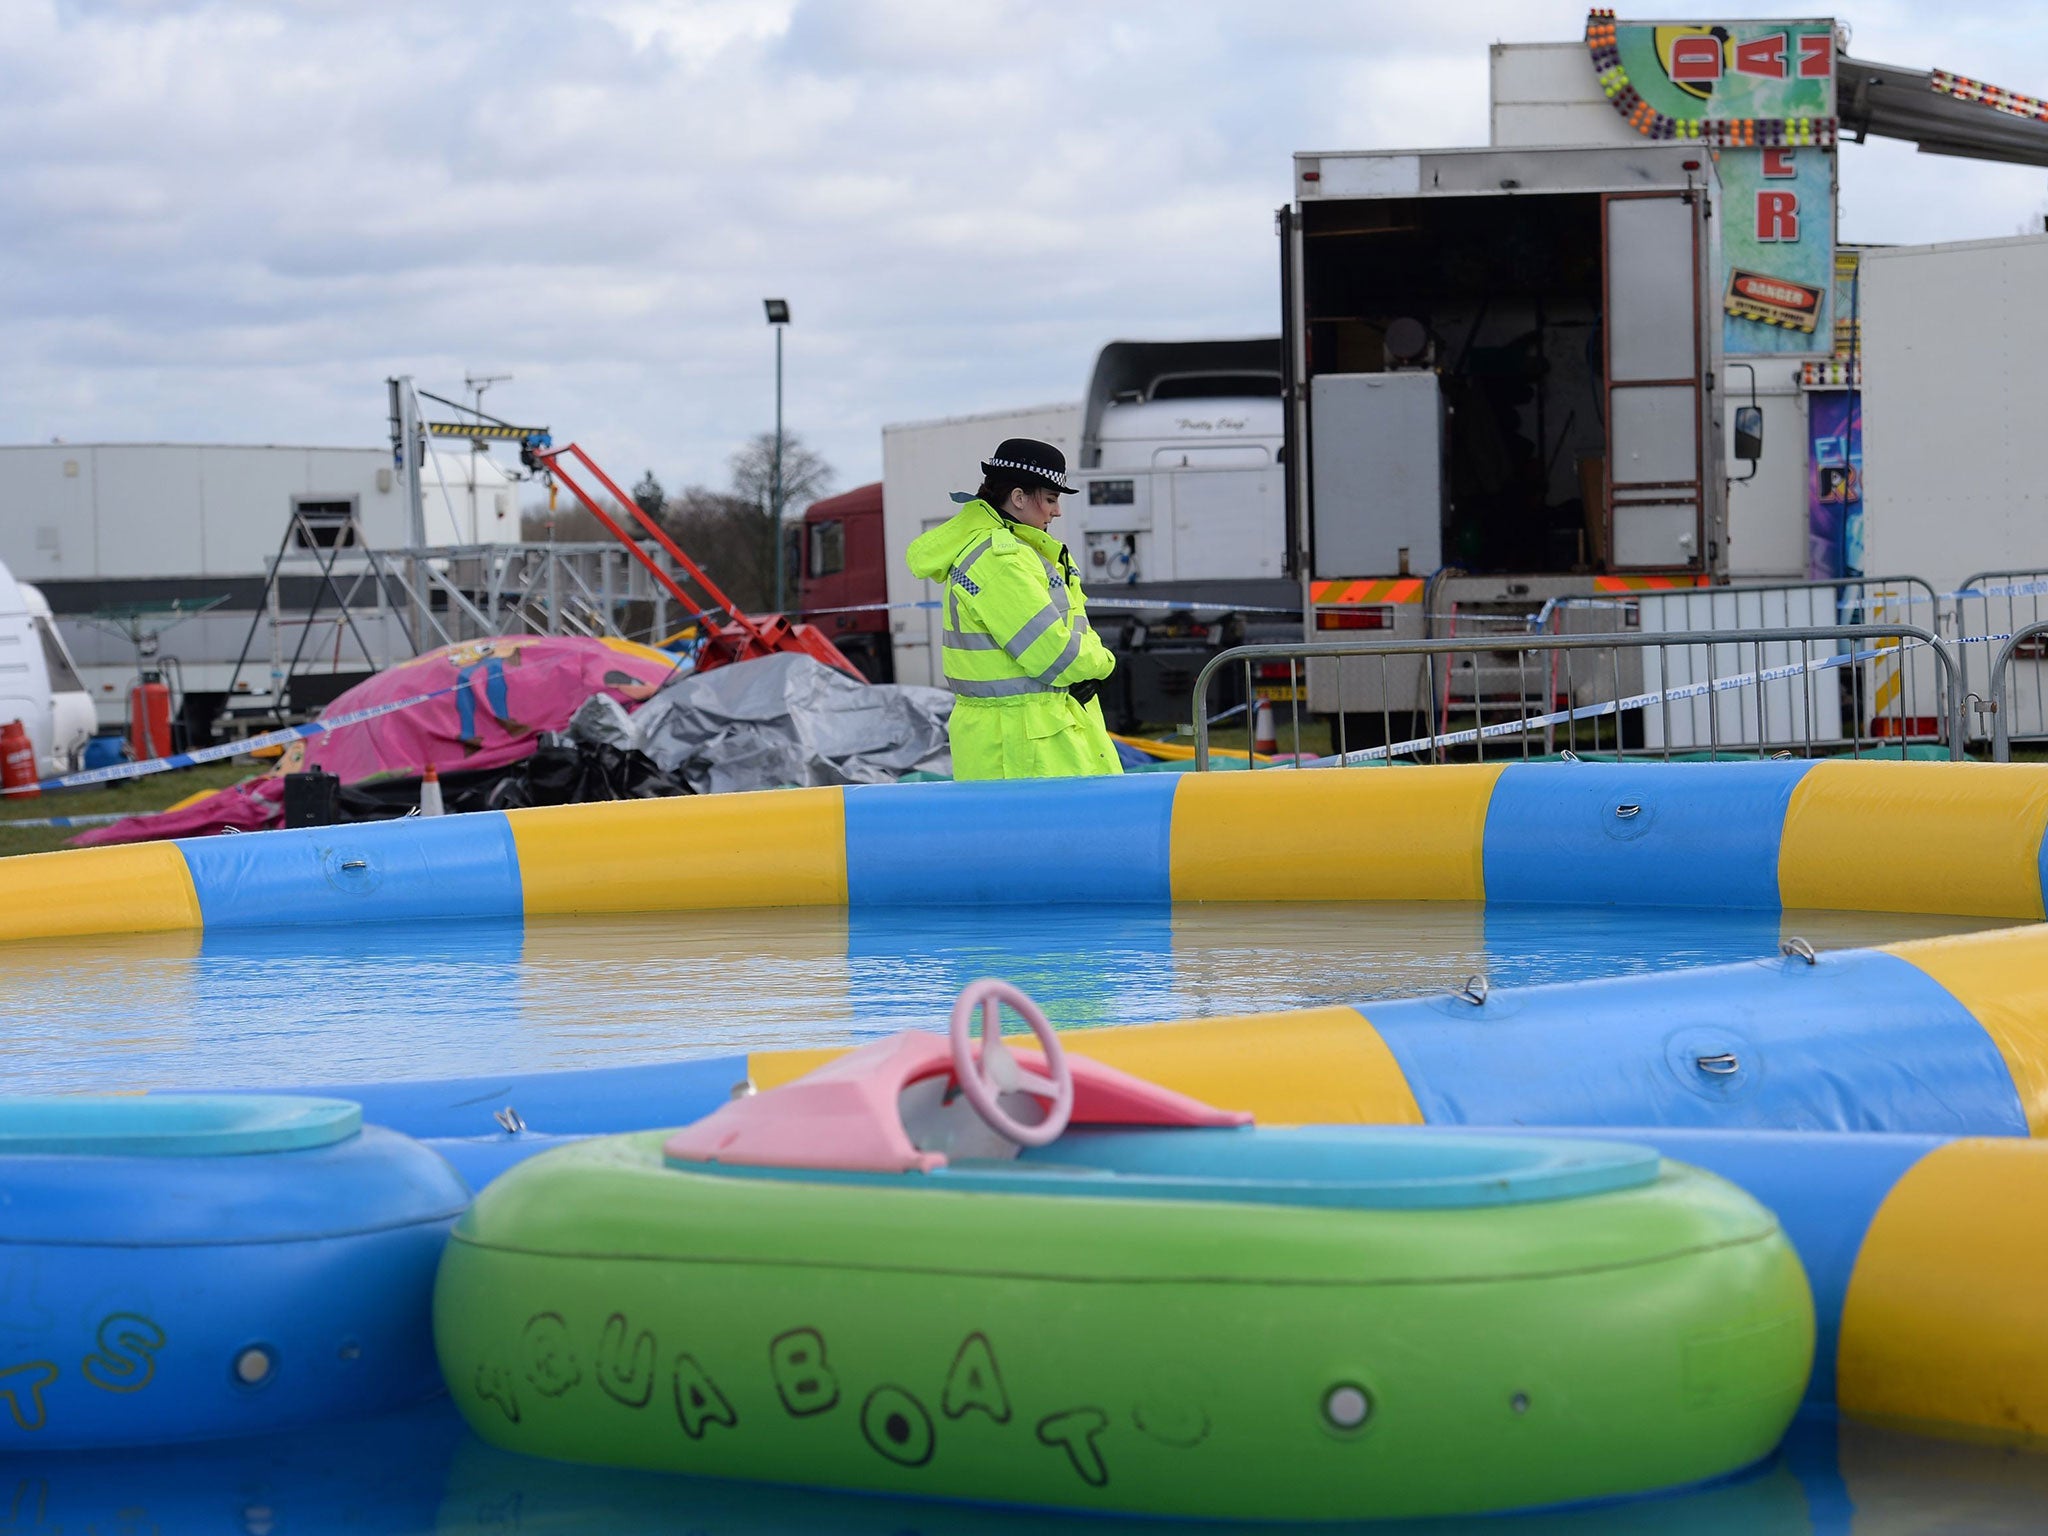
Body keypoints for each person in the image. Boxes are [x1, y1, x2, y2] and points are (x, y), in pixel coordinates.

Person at [906, 438, 1121, 780]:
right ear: (1019, 498)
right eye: (1051, 499)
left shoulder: (1012, 552)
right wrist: (1103, 663)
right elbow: (1053, 653)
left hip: (1018, 735)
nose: (1057, 511)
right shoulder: (1001, 559)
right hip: (1024, 742)